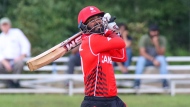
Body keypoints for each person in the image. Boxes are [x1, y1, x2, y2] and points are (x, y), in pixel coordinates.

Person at [78, 6, 127, 107]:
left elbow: (122, 56)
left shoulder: (102, 41)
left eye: (99, 18)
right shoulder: (91, 40)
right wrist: (110, 30)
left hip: (111, 98)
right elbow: (121, 42)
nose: (97, 22)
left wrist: (115, 31)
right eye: (92, 20)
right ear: (84, 26)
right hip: (96, 100)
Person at [134, 24, 169, 89]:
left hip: (157, 59)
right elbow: (142, 53)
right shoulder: (144, 38)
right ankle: (137, 82)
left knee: (162, 59)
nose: (154, 33)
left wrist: (156, 44)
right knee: (141, 60)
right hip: (147, 59)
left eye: (155, 31)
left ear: (158, 31)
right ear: (149, 31)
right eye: (152, 31)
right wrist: (153, 60)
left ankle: (165, 82)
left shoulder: (162, 39)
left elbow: (161, 54)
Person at [0, 17, 31, 88]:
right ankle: (11, 83)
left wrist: (22, 55)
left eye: (6, 25)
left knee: (20, 64)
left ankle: (15, 82)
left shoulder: (17, 33)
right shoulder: (0, 37)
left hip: (16, 59)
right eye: (3, 25)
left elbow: (25, 44)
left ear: (9, 25)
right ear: (1, 27)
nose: (5, 27)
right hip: (4, 60)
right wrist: (4, 62)